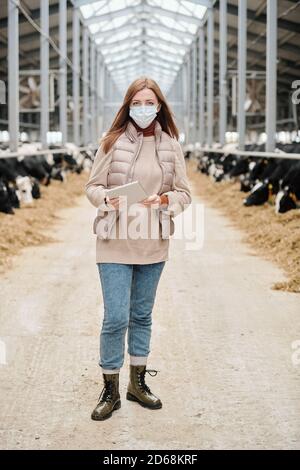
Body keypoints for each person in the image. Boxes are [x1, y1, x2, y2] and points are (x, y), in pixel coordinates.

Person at [85, 76, 192, 421]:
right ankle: (110, 389)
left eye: (149, 103)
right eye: (137, 102)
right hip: (114, 240)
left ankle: (137, 383)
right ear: (128, 105)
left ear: (159, 106)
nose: (143, 108)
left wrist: (163, 200)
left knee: (142, 316)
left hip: (152, 243)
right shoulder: (111, 142)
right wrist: (106, 200)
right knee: (116, 317)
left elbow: (185, 193)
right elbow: (92, 186)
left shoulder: (171, 146)